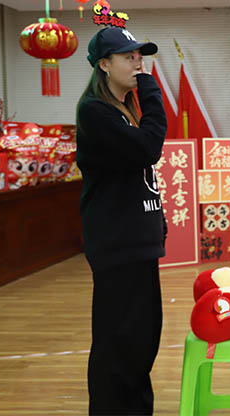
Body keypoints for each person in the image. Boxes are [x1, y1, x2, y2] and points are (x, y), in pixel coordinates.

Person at [76, 26, 168, 415]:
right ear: (104, 65)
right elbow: (148, 148)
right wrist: (152, 92)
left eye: (139, 56)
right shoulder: (95, 112)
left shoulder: (122, 111)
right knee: (118, 344)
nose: (138, 64)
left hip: (138, 243)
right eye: (129, 57)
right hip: (117, 246)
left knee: (142, 340)